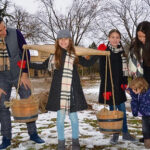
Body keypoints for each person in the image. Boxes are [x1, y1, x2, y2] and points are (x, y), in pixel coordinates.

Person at [29, 29, 88, 150]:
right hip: (59, 92)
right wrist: (27, 64)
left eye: (65, 39)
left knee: (74, 118)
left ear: (70, 41)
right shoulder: (54, 55)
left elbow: (88, 63)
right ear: (57, 41)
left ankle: (75, 143)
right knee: (60, 119)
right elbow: (42, 66)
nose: (63, 41)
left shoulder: (75, 54)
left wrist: (101, 54)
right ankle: (61, 143)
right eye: (60, 39)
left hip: (72, 91)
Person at [79, 29, 136, 144]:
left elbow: (124, 71)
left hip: (119, 86)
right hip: (108, 86)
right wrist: (95, 51)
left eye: (117, 37)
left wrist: (125, 83)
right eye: (113, 37)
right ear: (109, 38)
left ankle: (125, 133)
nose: (115, 39)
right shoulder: (104, 51)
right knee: (112, 110)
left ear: (119, 39)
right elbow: (93, 65)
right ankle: (115, 134)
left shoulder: (122, 53)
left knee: (122, 110)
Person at [0, 17, 44, 149]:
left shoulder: (15, 32)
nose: (4, 31)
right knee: (2, 106)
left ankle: (33, 134)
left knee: (27, 101)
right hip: (2, 77)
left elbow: (25, 53)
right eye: (0, 30)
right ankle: (6, 138)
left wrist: (25, 73)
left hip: (20, 74)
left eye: (4, 27)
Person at [128, 21, 150, 142]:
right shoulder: (135, 47)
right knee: (145, 114)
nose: (141, 39)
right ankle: (147, 137)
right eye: (139, 36)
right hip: (142, 84)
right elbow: (132, 64)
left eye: (144, 36)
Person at [128, 77, 150, 149]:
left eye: (135, 89)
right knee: (145, 130)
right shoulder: (138, 94)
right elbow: (135, 102)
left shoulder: (148, 94)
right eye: (133, 89)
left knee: (147, 129)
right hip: (145, 115)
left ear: (142, 87)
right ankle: (147, 142)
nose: (133, 91)